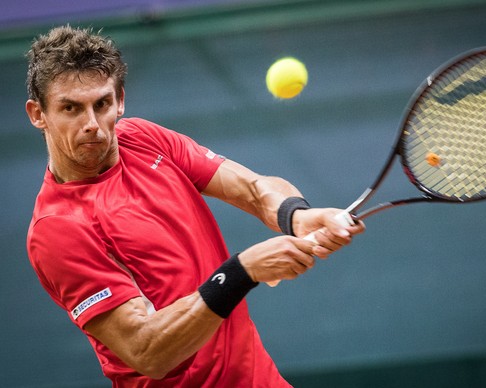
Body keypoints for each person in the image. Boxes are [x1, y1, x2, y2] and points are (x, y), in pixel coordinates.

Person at [25, 25, 364, 387]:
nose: (92, 124)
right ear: (38, 114)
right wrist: (241, 273)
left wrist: (296, 216)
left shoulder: (143, 139)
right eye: (71, 108)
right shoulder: (57, 229)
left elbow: (252, 188)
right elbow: (146, 351)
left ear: (120, 100)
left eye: (102, 104)